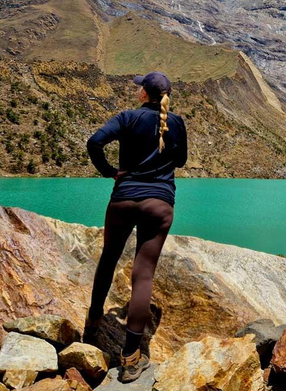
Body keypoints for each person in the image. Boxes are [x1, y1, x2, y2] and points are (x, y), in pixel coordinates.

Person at [84, 71, 187, 383]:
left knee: (109, 258)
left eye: (140, 87)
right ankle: (130, 360)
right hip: (159, 204)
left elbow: (94, 142)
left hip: (124, 199)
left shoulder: (127, 117)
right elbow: (180, 161)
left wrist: (110, 172)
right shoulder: (177, 122)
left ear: (144, 93)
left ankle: (91, 327)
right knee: (143, 274)